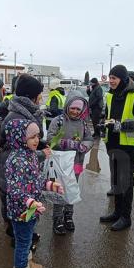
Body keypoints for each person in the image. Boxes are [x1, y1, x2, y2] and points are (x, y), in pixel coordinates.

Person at [4, 119, 62, 268]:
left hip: (31, 208)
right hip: (21, 210)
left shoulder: (29, 155)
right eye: (31, 137)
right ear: (20, 138)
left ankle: (27, 262)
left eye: (37, 136)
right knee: (22, 241)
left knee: (28, 237)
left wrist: (51, 185)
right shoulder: (16, 160)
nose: (36, 140)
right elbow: (14, 189)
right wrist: (31, 202)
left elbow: (35, 181)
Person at [0, 74, 49, 245]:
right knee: (19, 205)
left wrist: (41, 144)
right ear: (30, 96)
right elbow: (20, 150)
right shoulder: (19, 116)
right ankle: (20, 245)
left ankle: (22, 236)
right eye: (39, 94)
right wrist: (42, 153)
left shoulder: (20, 110)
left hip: (11, 165)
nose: (41, 97)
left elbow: (26, 139)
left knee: (18, 204)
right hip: (16, 170)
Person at [99, 65, 134, 231]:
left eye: (114, 78)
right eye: (110, 77)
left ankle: (125, 217)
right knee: (116, 182)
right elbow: (107, 116)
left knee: (125, 183)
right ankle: (117, 212)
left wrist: (120, 126)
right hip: (112, 143)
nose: (111, 81)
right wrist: (102, 124)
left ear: (123, 79)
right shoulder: (110, 95)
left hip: (128, 146)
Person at [47, 91, 94, 235]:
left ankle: (68, 215)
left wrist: (84, 146)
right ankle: (57, 218)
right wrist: (69, 144)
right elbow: (50, 139)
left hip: (76, 163)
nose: (75, 111)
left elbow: (90, 139)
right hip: (60, 164)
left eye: (78, 109)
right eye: (72, 108)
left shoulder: (84, 124)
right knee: (60, 190)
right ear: (67, 106)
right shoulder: (58, 121)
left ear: (82, 110)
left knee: (72, 189)